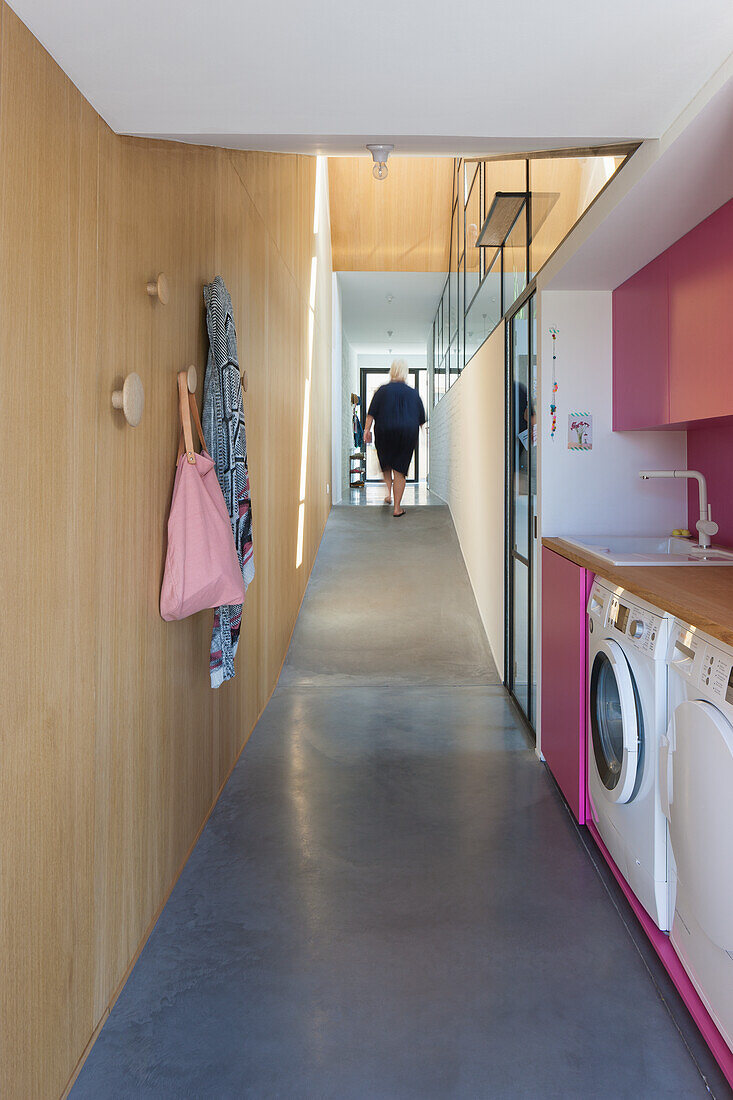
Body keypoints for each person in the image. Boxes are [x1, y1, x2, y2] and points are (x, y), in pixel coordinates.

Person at [363, 360, 426, 517]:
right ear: (405, 372)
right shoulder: (413, 393)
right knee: (400, 470)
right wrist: (425, 435)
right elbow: (421, 419)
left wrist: (366, 430)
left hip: (385, 431)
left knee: (386, 464)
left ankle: (389, 494)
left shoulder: (382, 391)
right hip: (407, 433)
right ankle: (397, 508)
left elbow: (371, 413)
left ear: (392, 371)